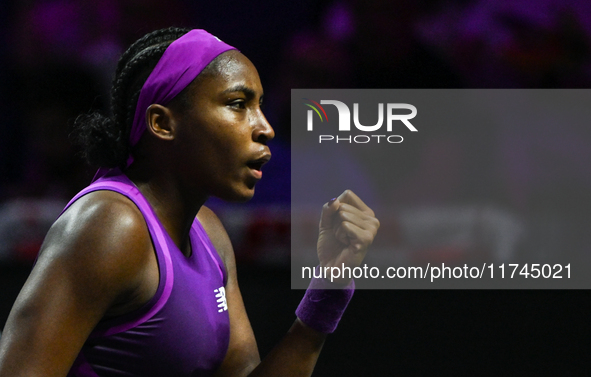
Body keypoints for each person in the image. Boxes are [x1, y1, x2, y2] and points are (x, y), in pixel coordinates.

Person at [0, 27, 379, 376]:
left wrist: (329, 288)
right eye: (237, 103)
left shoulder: (211, 234)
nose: (265, 127)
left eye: (261, 105)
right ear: (162, 124)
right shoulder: (109, 225)